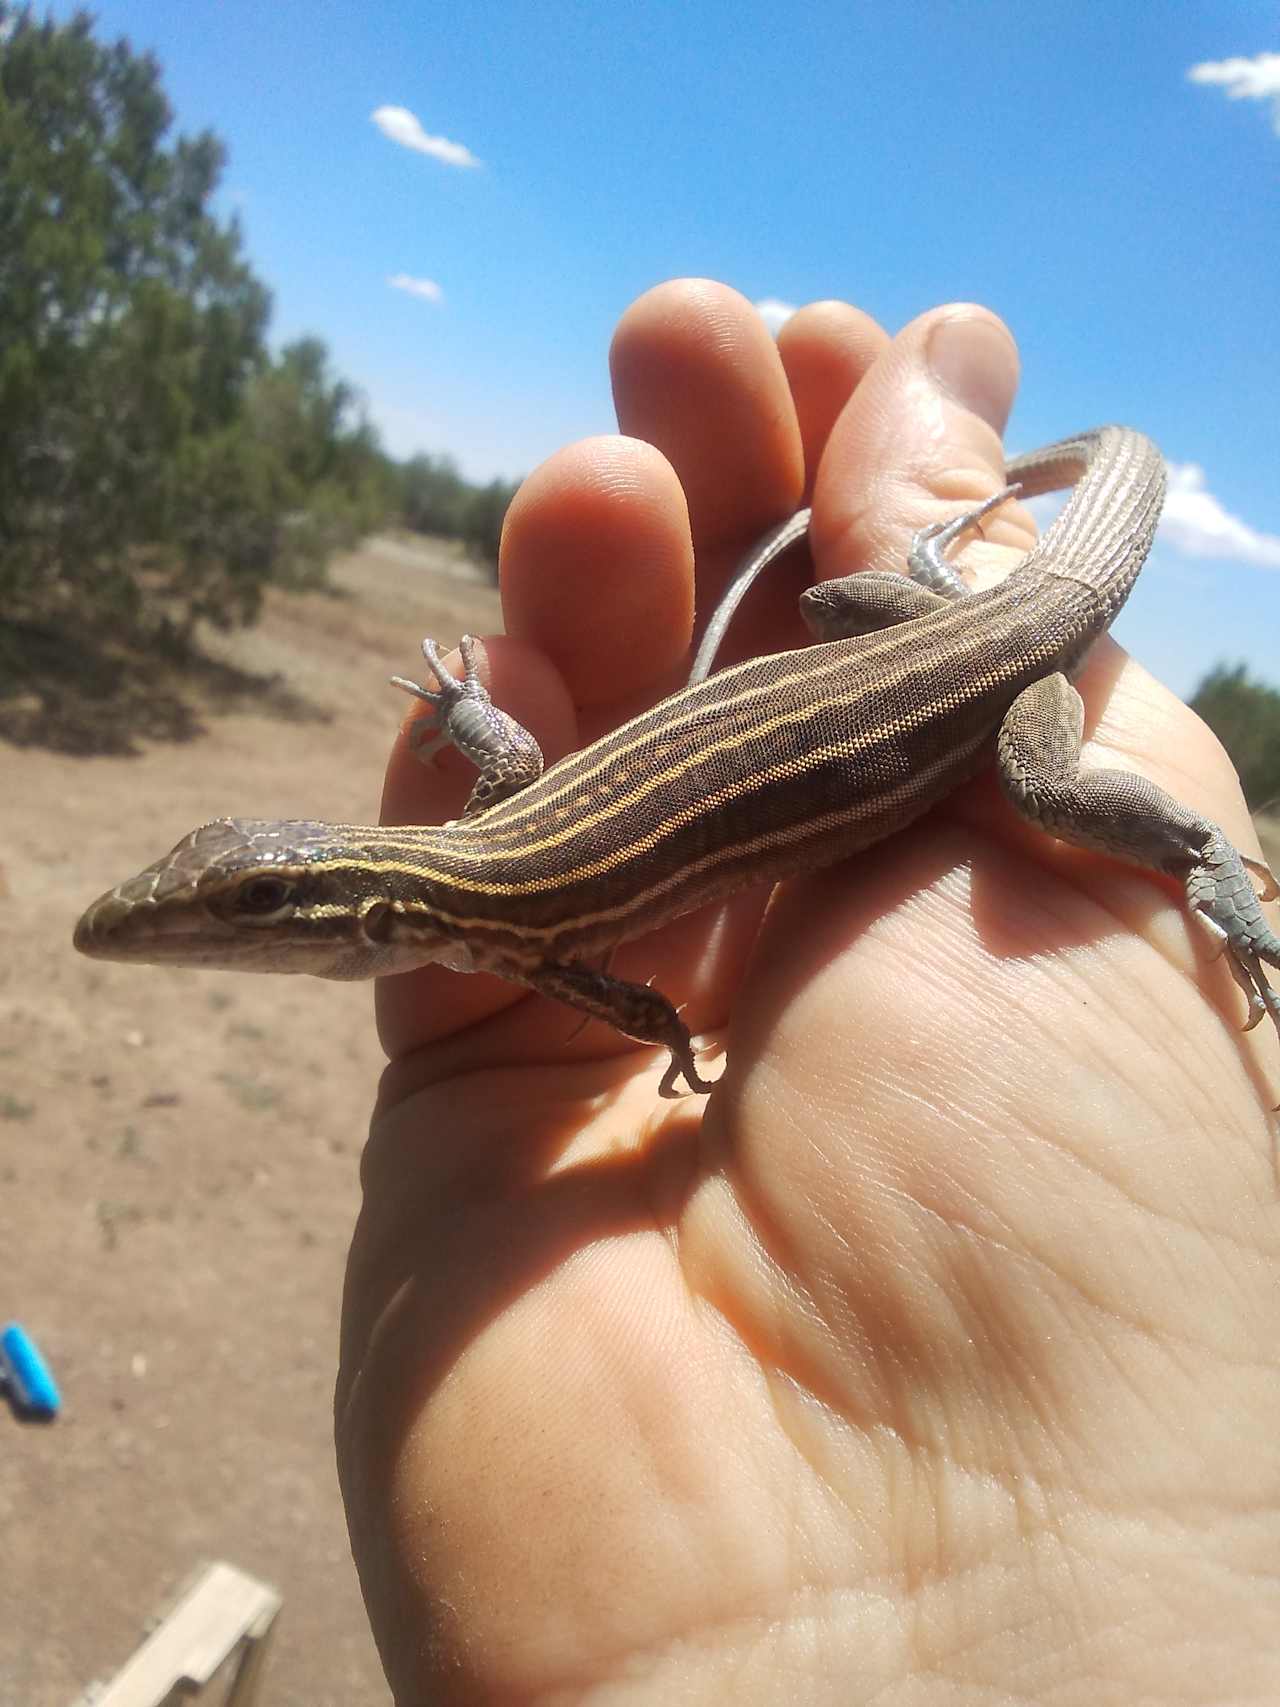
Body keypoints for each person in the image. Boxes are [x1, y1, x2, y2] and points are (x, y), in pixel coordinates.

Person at [335, 280, 1280, 1703]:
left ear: (356, 916)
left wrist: (658, 1030)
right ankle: (968, 591)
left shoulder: (514, 926)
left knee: (1037, 780)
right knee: (842, 595)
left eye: (250, 913)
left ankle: (1207, 857)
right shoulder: (497, 880)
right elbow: (534, 804)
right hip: (934, 639)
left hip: (997, 671)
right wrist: (477, 727)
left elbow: (617, 974)